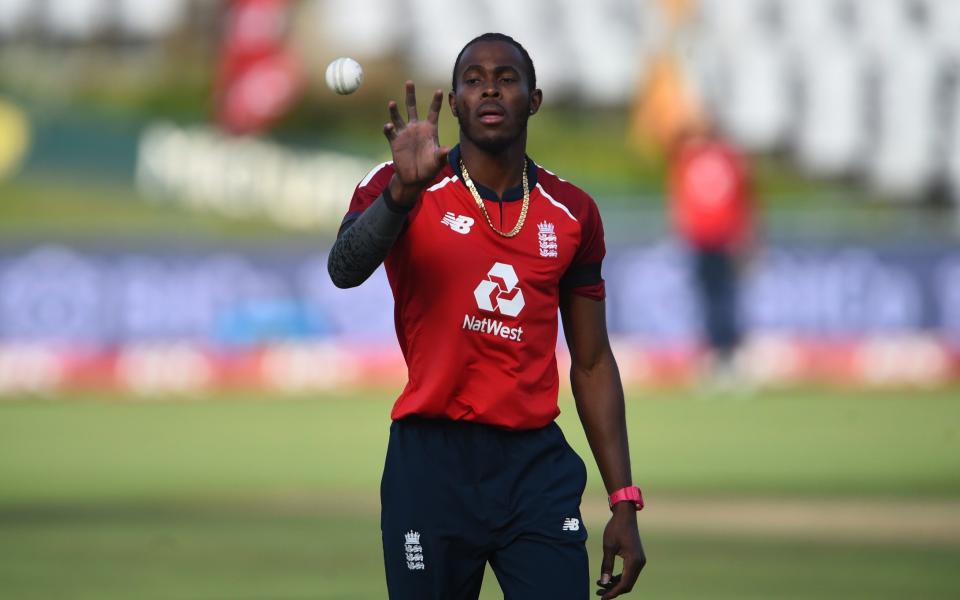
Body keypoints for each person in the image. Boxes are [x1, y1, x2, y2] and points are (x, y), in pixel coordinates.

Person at [328, 33, 645, 599]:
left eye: (506, 77)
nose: (490, 88)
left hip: (533, 469)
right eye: (473, 79)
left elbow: (593, 362)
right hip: (430, 464)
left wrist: (623, 499)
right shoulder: (403, 181)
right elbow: (344, 268)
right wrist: (402, 195)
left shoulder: (572, 212)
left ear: (534, 99)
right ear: (454, 104)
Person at [667, 127, 756, 383]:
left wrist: (745, 235)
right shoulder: (700, 159)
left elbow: (742, 198)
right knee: (711, 297)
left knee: (723, 297)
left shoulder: (710, 158)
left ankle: (728, 352)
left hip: (722, 237)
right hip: (704, 238)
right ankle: (717, 352)